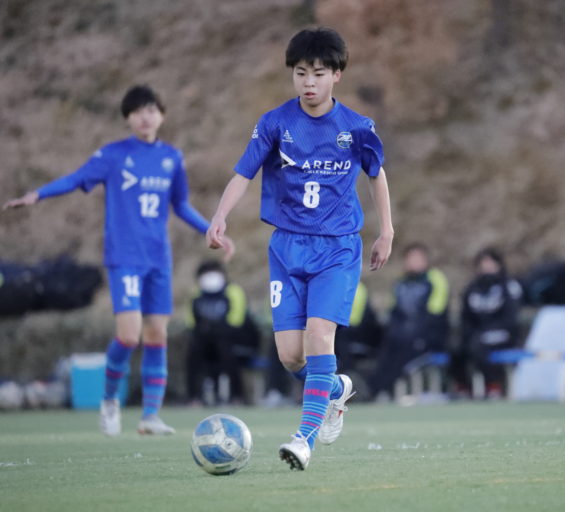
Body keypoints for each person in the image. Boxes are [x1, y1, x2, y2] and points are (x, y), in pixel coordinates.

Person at [206, 27, 393, 471]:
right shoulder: (275, 123)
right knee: (291, 355)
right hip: (286, 248)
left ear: (337, 75)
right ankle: (335, 389)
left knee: (319, 336)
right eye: (301, 73)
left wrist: (386, 230)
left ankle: (303, 440)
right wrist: (220, 215)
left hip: (337, 248)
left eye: (319, 73)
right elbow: (244, 173)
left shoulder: (356, 127)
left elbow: (376, 174)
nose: (309, 82)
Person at [3, 85, 234, 436]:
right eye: (137, 111)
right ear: (128, 117)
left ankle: (150, 416)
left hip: (158, 258)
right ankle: (109, 400)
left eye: (151, 110)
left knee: (157, 333)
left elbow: (181, 205)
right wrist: (38, 194)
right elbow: (77, 178)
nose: (145, 117)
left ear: (162, 115)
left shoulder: (172, 158)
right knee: (128, 336)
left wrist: (211, 229)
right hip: (124, 257)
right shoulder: (113, 155)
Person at [369, 243, 449, 400]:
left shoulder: (435, 279)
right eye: (410, 258)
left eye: (417, 258)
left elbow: (435, 314)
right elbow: (394, 312)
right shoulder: (400, 283)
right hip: (401, 336)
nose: (413, 262)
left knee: (401, 355)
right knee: (385, 350)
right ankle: (375, 390)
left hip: (425, 337)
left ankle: (382, 390)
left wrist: (416, 334)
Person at [186, 260, 260, 405]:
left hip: (233, 339)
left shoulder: (233, 291)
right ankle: (194, 397)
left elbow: (236, 320)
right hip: (205, 340)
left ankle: (237, 397)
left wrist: (217, 329)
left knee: (227, 352)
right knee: (194, 354)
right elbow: (191, 322)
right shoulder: (196, 293)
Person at [456, 247, 523, 398]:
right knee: (457, 348)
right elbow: (466, 316)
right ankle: (463, 387)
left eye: (490, 262)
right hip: (478, 333)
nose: (486, 266)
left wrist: (489, 330)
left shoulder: (509, 286)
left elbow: (510, 318)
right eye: (483, 263)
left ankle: (493, 385)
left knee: (479, 345)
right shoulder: (472, 288)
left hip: (503, 334)